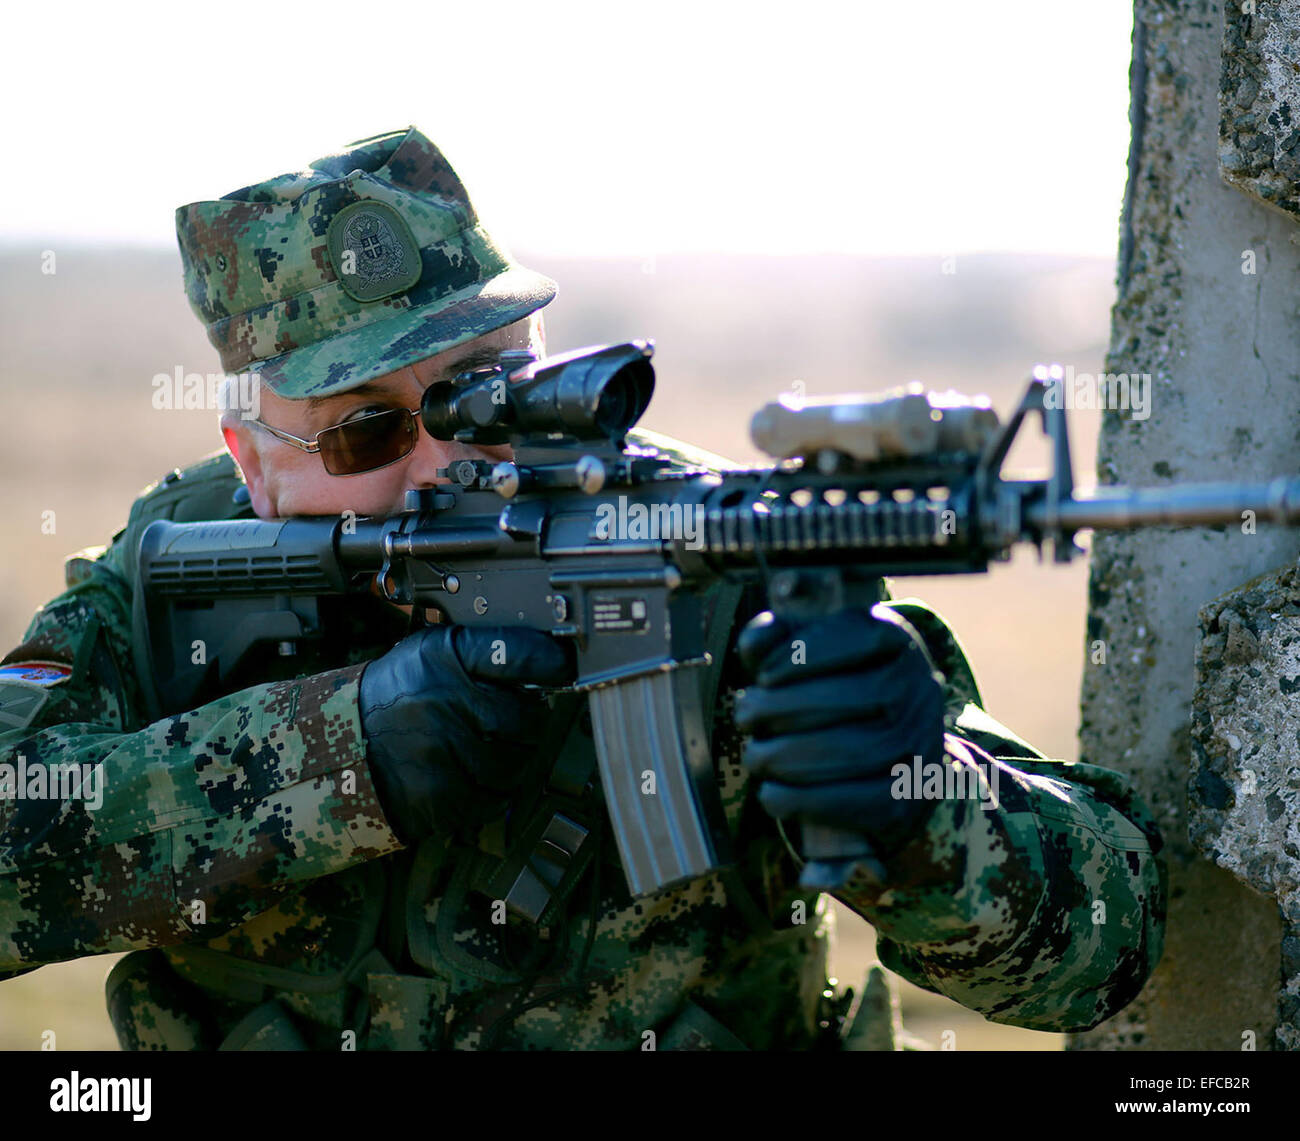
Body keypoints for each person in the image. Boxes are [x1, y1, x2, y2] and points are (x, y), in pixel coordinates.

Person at [0, 127, 1165, 1050]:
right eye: (362, 435)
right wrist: (340, 757)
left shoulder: (710, 559)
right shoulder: (179, 572)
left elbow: (1103, 945)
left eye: (480, 390)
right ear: (253, 463)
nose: (443, 460)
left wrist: (919, 811)